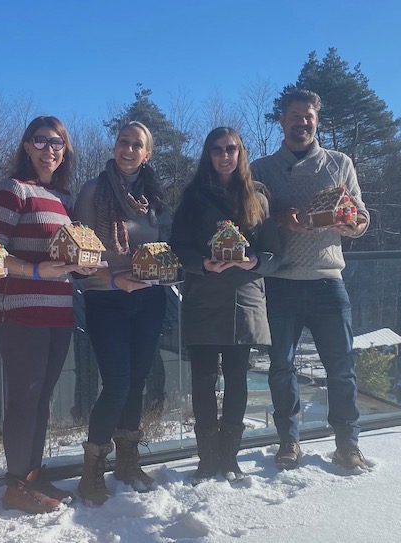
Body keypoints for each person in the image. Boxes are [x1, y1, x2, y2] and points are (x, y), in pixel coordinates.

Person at [250, 89, 370, 471]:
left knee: (341, 366)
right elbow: (248, 219)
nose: (302, 122)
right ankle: (289, 441)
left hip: (327, 280)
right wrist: (281, 217)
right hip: (280, 282)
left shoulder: (339, 163)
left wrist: (352, 224)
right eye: (294, 115)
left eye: (309, 116)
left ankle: (347, 444)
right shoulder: (261, 169)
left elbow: (362, 218)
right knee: (281, 366)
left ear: (317, 120)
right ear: (282, 121)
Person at [0, 116, 94, 514]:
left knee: (42, 399)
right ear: (27, 146)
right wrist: (33, 270)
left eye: (58, 143)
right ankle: (15, 483)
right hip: (18, 310)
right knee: (24, 398)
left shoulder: (62, 198)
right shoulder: (12, 190)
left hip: (58, 310)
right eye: (42, 141)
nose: (51, 149)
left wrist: (80, 265)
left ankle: (32, 475)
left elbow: (61, 254)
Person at [170, 127, 281, 483]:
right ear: (208, 154)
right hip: (204, 296)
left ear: (240, 152)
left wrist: (254, 263)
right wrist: (201, 263)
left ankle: (229, 457)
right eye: (216, 149)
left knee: (237, 379)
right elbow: (178, 248)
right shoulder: (193, 196)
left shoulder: (259, 196)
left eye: (231, 149)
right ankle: (207, 458)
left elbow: (275, 253)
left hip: (243, 299)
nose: (224, 155)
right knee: (203, 380)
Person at [73, 121, 172, 505]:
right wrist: (116, 281)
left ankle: (127, 461)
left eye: (137, 145)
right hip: (106, 298)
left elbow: (166, 246)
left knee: (137, 380)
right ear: (114, 147)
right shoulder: (93, 191)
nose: (129, 150)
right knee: (116, 383)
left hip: (149, 299)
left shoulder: (154, 196)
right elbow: (78, 252)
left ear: (147, 154)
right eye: (123, 143)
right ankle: (92, 468)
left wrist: (167, 271)